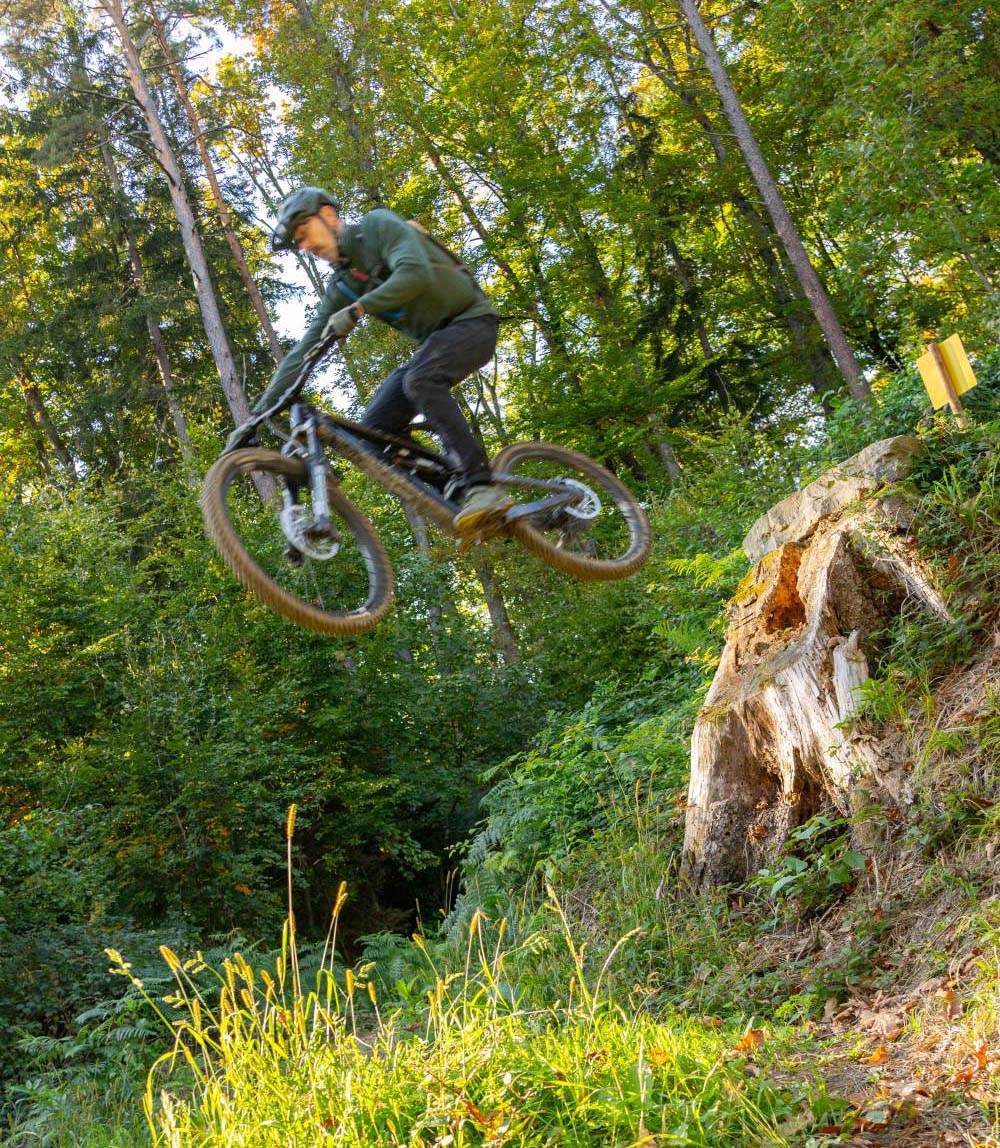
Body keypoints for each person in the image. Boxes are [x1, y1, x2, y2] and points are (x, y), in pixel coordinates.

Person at [229, 186, 511, 538]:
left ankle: (480, 484)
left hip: (473, 322)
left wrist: (359, 308)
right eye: (298, 242)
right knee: (374, 432)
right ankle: (457, 496)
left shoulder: (377, 227)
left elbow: (415, 273)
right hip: (435, 343)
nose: (306, 246)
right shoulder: (342, 286)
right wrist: (255, 418)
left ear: (328, 215)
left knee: (420, 380)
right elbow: (302, 351)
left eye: (305, 233)